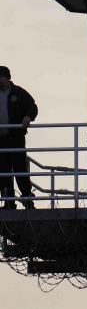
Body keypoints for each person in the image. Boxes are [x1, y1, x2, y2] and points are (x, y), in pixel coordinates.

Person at [0, 66, 38, 209]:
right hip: (1, 139)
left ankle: (28, 200)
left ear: (7, 78)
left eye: (1, 77)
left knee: (20, 169)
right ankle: (9, 202)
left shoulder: (18, 92)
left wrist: (28, 117)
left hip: (15, 137)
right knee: (3, 171)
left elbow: (32, 107)